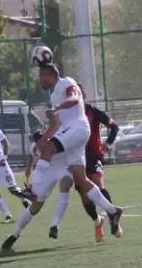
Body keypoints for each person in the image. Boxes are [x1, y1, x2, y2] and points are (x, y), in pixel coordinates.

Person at [26, 63, 124, 237]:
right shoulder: (54, 96)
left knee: (50, 149)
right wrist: (41, 141)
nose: (39, 80)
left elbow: (74, 99)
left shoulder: (66, 84)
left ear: (48, 76)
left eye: (41, 77)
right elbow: (55, 125)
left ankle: (33, 190)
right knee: (82, 181)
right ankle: (112, 211)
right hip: (72, 138)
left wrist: (57, 108)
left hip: (80, 134)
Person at [1, 128, 72, 250]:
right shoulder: (36, 147)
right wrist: (29, 168)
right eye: (38, 142)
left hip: (63, 168)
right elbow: (33, 155)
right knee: (35, 207)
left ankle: (55, 225)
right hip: (47, 173)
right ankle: (16, 234)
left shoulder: (59, 137)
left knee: (66, 187)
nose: (41, 143)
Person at [73, 82, 121, 242]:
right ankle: (97, 220)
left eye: (78, 93)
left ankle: (114, 219)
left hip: (93, 156)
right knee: (85, 195)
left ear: (84, 96)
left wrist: (108, 143)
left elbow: (114, 127)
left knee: (98, 186)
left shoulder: (93, 111)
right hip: (76, 158)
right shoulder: (68, 115)